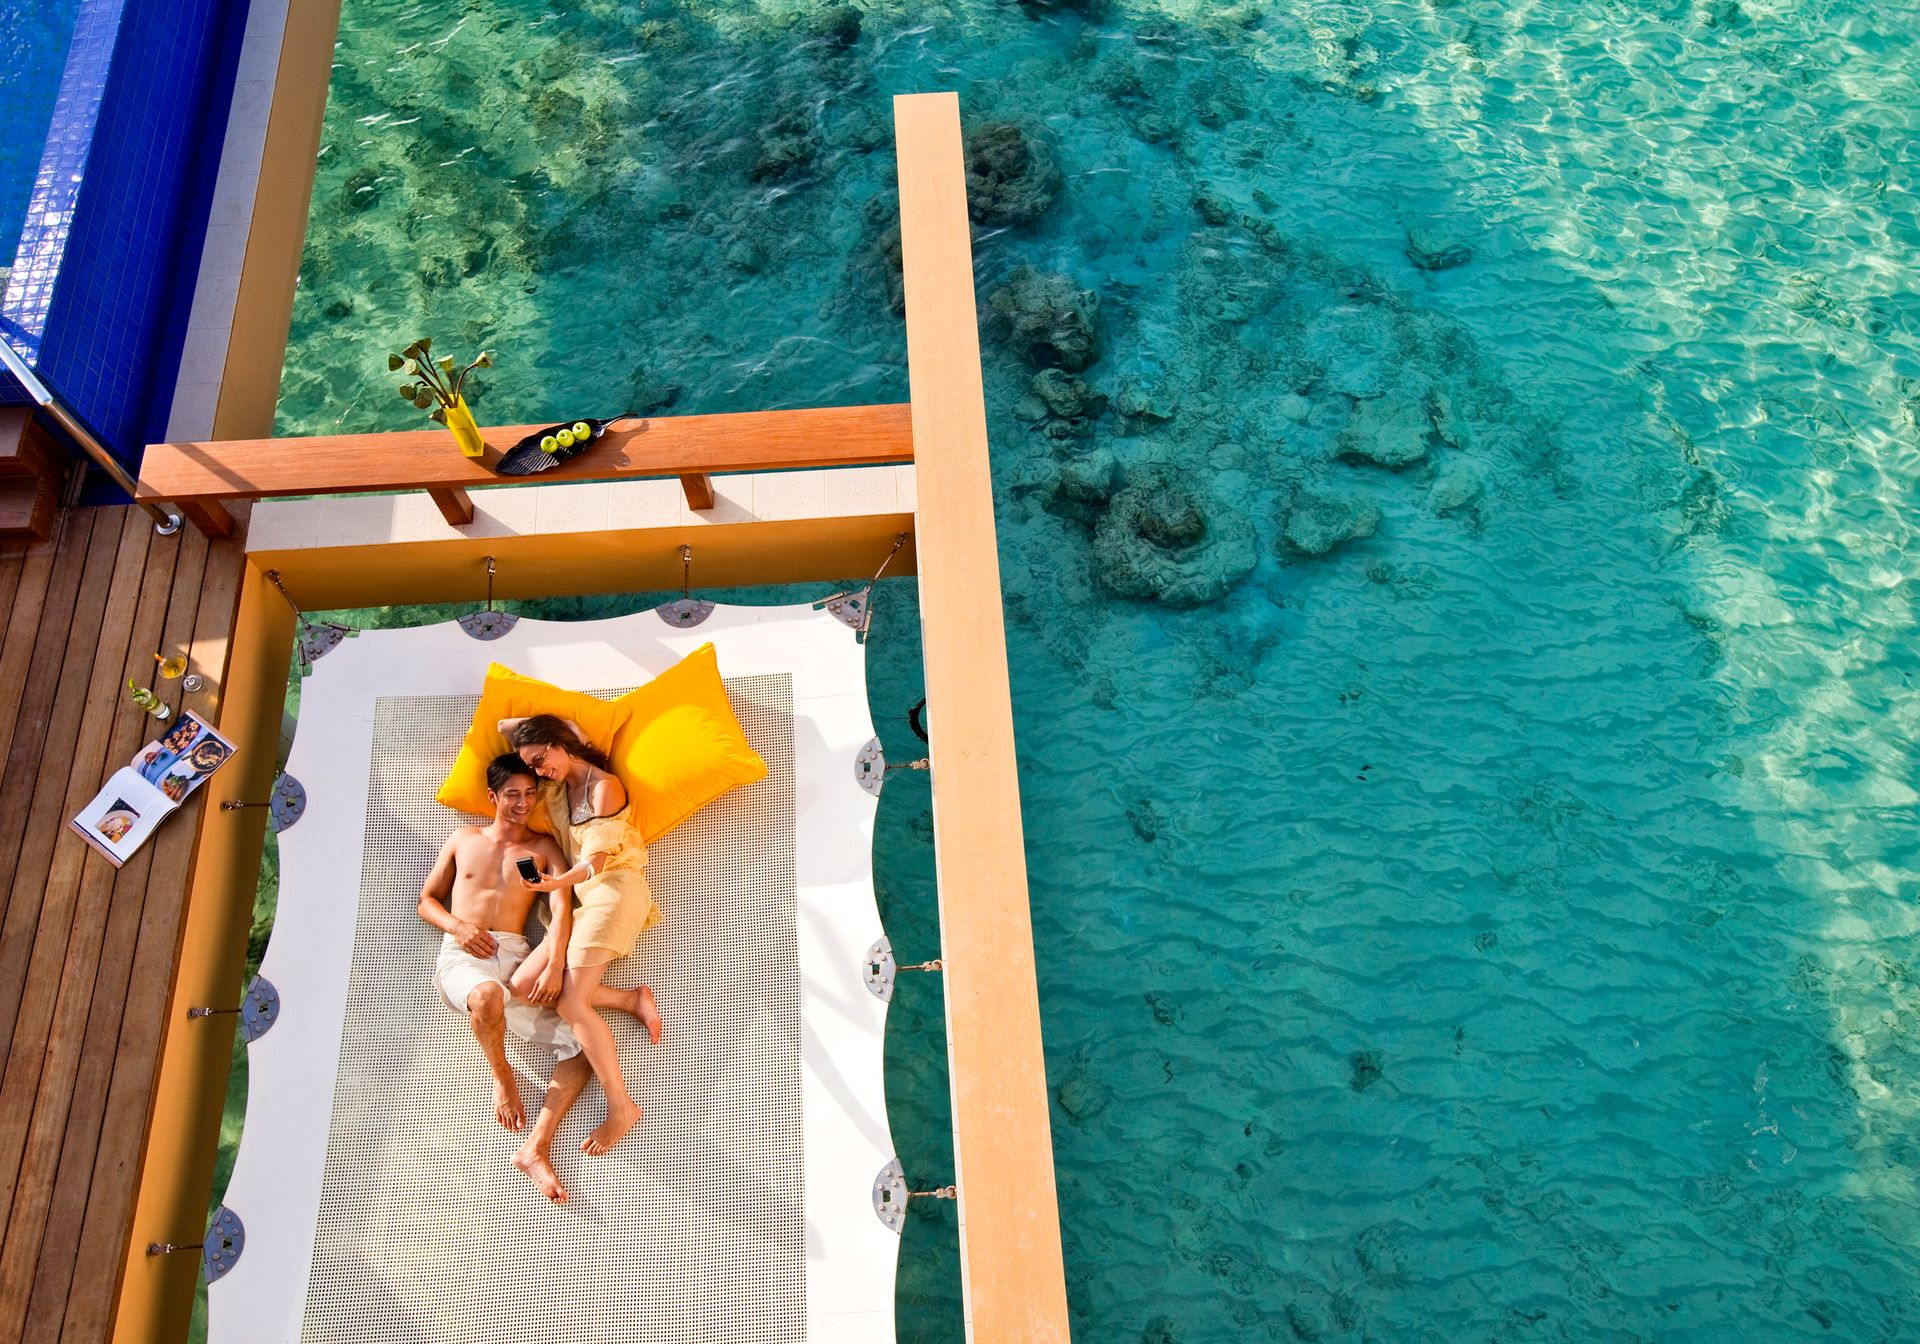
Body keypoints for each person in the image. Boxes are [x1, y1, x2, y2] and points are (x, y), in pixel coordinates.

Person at [416, 754, 649, 1200]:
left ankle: (535, 1147)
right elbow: (427, 900)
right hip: (464, 955)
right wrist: (458, 927)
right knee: (487, 996)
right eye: (512, 795)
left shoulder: (543, 849)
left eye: (529, 793)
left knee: (584, 1048)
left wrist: (556, 962)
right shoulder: (463, 839)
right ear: (492, 797)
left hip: (514, 953)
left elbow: (561, 911)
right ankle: (504, 1079)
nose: (523, 803)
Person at [504, 714, 663, 1155]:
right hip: (581, 901)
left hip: (613, 891)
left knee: (571, 1002)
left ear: (557, 744)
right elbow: (505, 725)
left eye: (540, 760)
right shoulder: (559, 786)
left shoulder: (604, 787)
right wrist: (567, 731)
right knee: (521, 986)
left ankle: (622, 1106)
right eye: (531, 765)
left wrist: (557, 883)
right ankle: (629, 999)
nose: (538, 772)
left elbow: (596, 861)